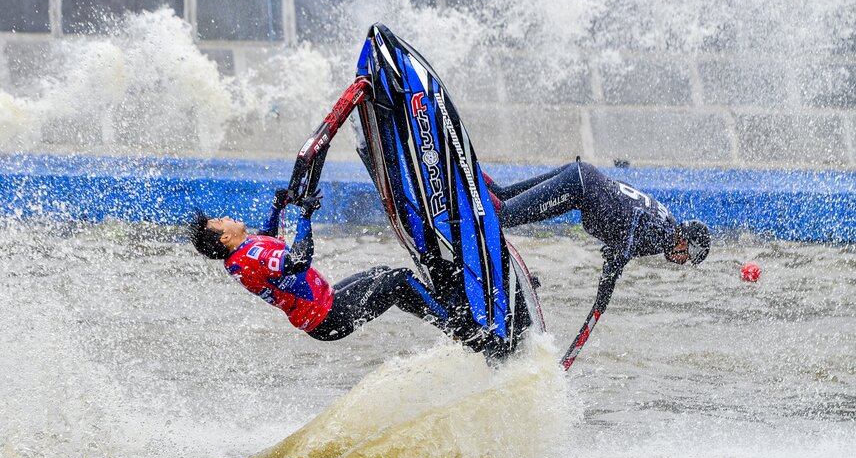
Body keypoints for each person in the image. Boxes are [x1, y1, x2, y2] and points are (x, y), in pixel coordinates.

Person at [480, 158, 711, 364]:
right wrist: (614, 268)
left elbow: (627, 209)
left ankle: (472, 172)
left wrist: (614, 258)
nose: (683, 261)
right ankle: (468, 189)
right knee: (504, 215)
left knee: (503, 195)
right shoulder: (665, 235)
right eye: (688, 255)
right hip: (580, 188)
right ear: (685, 241)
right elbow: (633, 225)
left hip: (583, 175)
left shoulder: (666, 221)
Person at [189, 189, 455, 343]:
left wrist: (277, 207)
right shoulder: (249, 258)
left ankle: (441, 303)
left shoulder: (241, 255)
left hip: (326, 305)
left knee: (382, 273)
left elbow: (266, 241)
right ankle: (461, 331)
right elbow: (299, 261)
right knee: (399, 281)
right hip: (328, 317)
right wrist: (305, 216)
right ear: (225, 238)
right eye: (220, 221)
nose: (225, 217)